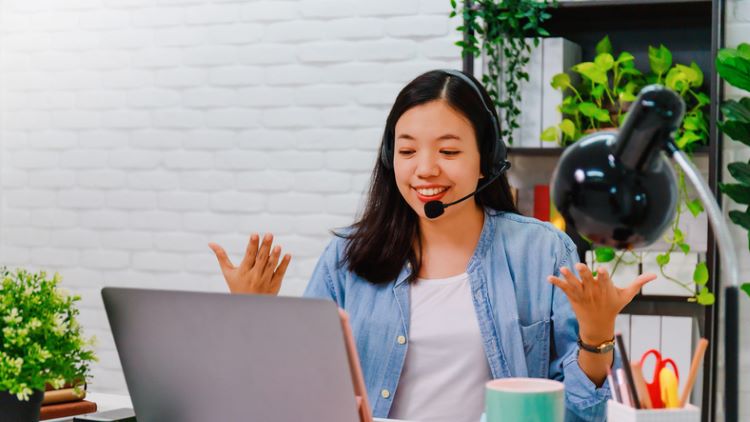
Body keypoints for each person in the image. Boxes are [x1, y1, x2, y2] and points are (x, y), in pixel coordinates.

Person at [208, 70, 655, 422]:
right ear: (390, 159)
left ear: (487, 161)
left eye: (448, 151)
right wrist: (255, 316)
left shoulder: (542, 252)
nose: (425, 170)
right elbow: (299, 398)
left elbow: (580, 417)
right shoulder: (347, 258)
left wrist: (596, 339)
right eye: (407, 151)